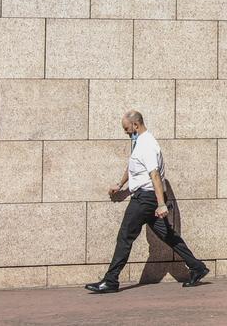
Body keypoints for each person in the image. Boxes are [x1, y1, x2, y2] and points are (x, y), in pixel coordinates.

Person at [85, 111, 210, 293]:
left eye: (127, 129)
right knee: (168, 236)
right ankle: (197, 267)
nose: (126, 132)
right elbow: (133, 167)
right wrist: (121, 185)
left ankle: (111, 281)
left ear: (136, 125)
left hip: (145, 199)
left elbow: (155, 175)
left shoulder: (148, 145)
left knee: (125, 236)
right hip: (147, 198)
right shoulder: (140, 143)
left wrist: (161, 204)